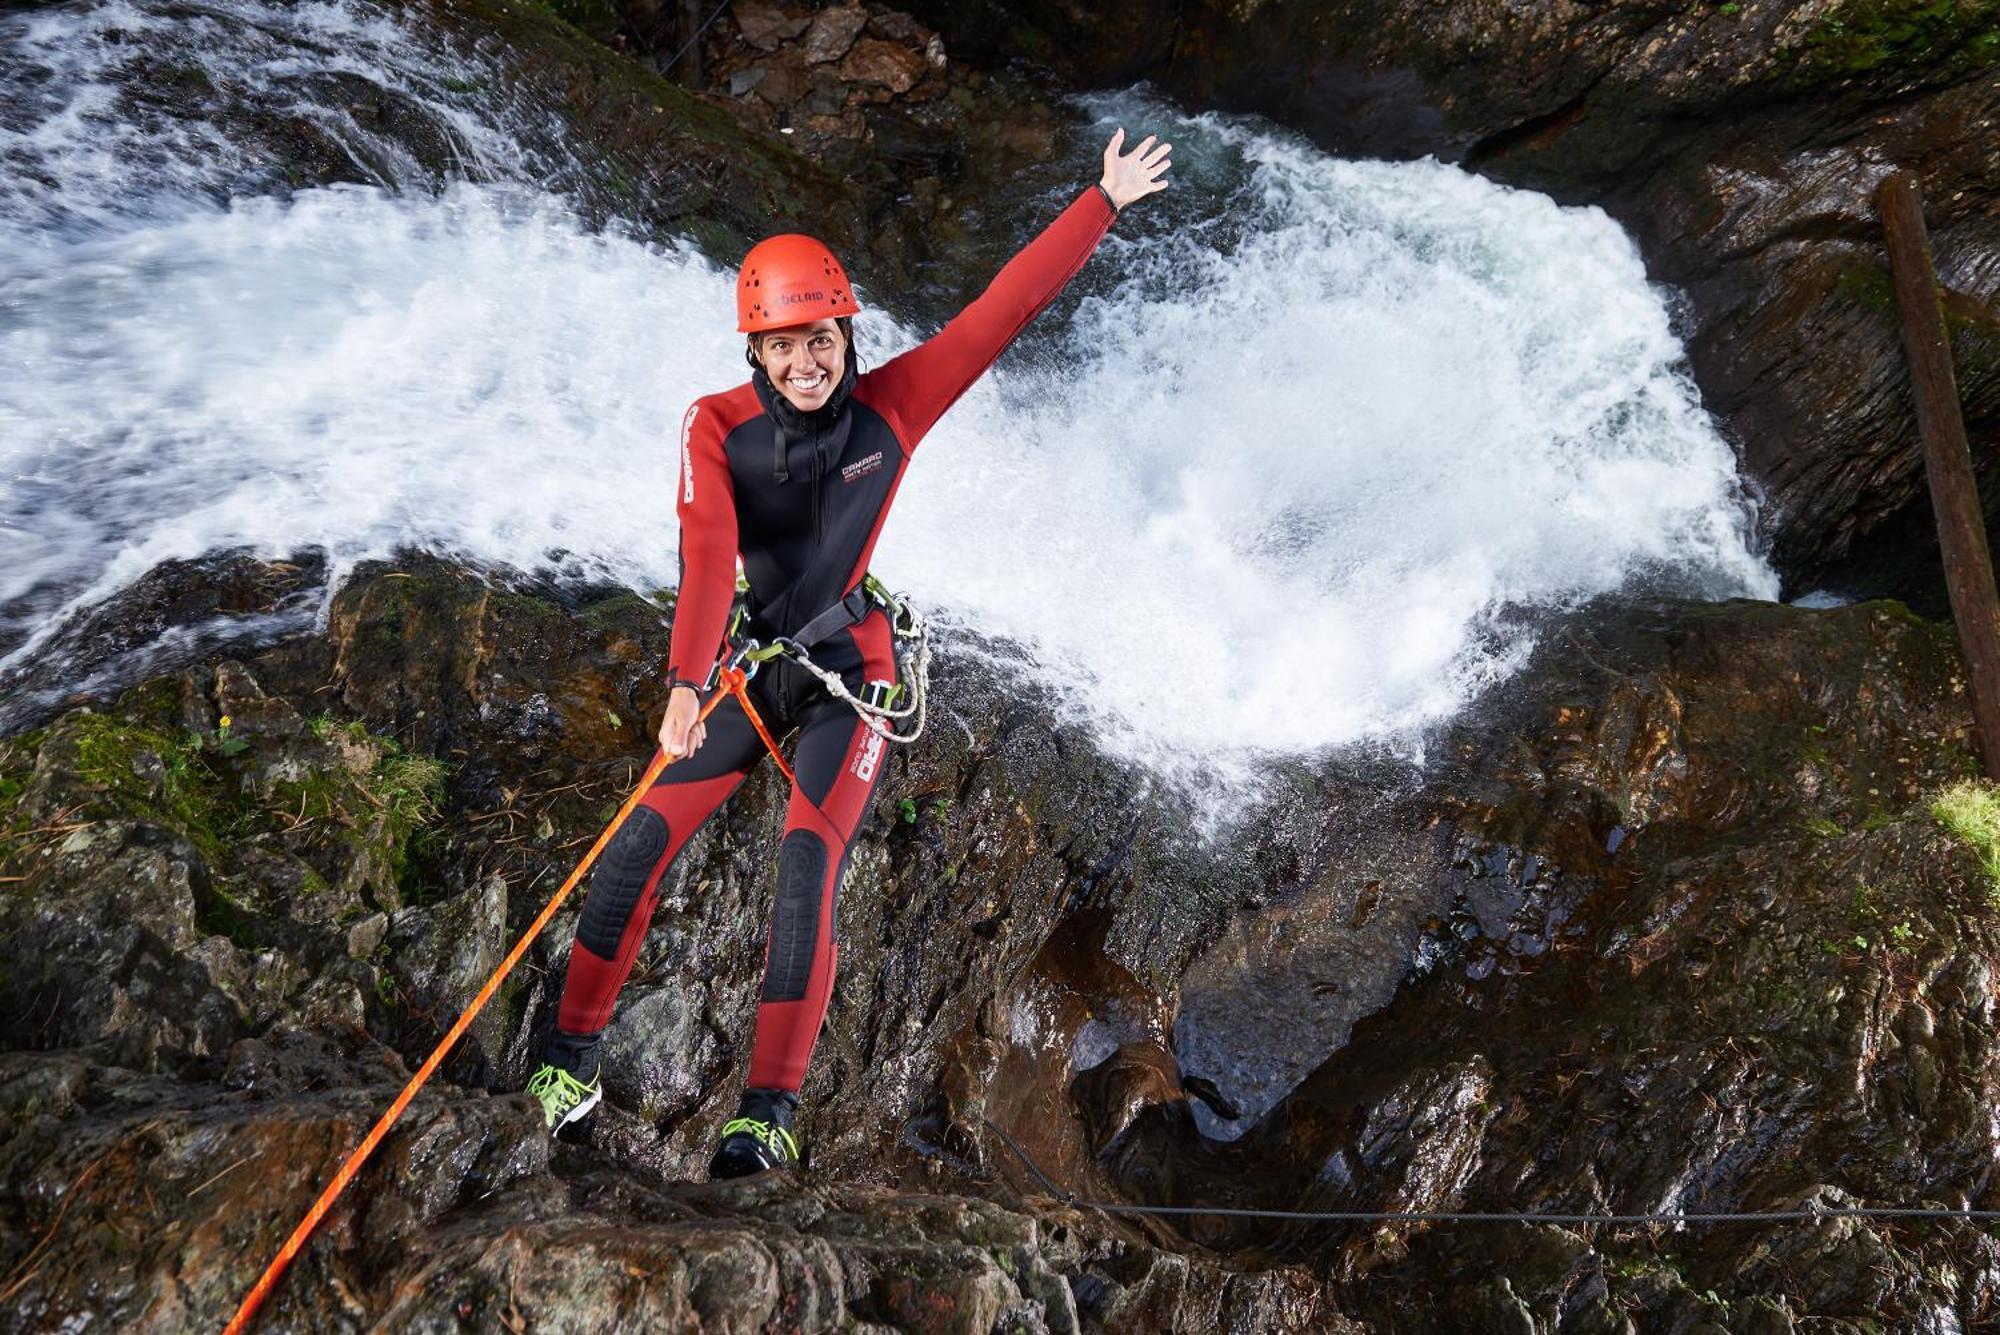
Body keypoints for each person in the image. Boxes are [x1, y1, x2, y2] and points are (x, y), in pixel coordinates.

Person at [526, 128, 1173, 1178]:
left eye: (819, 336)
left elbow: (999, 312)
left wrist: (1097, 201)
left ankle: (764, 1113)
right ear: (755, 354)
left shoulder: (897, 404)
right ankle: (569, 1061)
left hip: (848, 674)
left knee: (801, 874)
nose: (805, 359)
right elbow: (705, 553)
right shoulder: (716, 428)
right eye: (781, 345)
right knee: (633, 852)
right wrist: (686, 682)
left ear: (844, 332)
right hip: (744, 665)